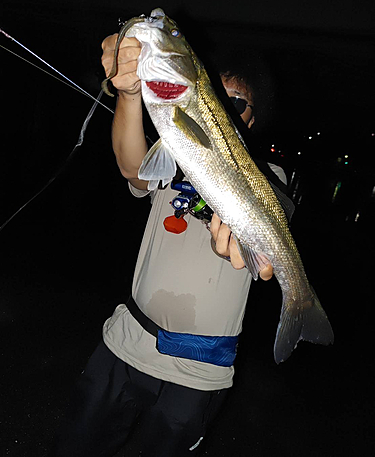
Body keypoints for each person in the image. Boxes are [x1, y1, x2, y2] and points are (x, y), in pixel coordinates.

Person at [49, 34, 288, 457]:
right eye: (219, 95)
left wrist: (247, 248)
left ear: (252, 120)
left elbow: (270, 233)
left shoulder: (269, 177)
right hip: (125, 341)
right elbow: (132, 168)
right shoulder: (176, 151)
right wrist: (128, 94)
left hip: (198, 371)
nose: (225, 108)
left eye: (239, 103)